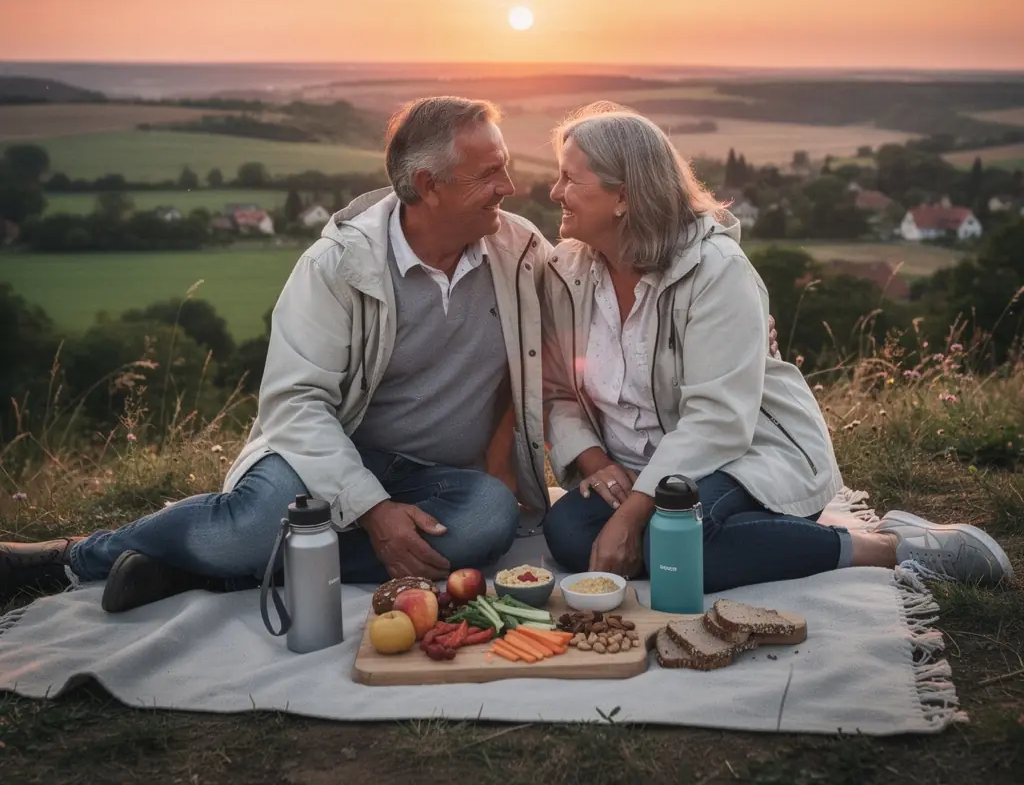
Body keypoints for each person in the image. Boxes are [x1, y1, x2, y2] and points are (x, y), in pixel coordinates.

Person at [1, 97, 551, 612]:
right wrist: (373, 510)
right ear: (429, 185)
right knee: (251, 524)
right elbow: (294, 403)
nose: (510, 185)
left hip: (435, 476)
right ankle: (73, 556)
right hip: (319, 461)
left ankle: (218, 572)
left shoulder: (520, 251)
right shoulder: (336, 265)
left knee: (487, 521)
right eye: (490, 174)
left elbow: (587, 296)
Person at [541, 103, 1013, 590]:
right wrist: (598, 466)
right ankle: (765, 540)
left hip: (743, 456)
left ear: (623, 196)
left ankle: (887, 547)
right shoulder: (566, 271)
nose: (555, 192)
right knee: (570, 534)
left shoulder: (716, 270)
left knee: (675, 540)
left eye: (570, 180)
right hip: (637, 467)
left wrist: (634, 513)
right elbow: (556, 390)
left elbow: (718, 419)